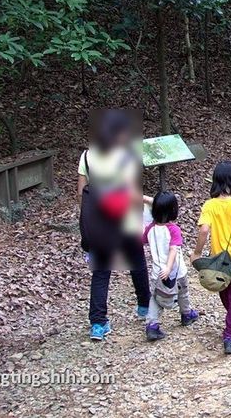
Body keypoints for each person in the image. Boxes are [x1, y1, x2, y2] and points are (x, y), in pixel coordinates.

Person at [77, 108, 151, 341]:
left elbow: (81, 190)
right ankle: (145, 307)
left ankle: (98, 324)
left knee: (100, 272)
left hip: (98, 220)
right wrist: (149, 203)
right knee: (137, 261)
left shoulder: (87, 156)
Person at [191, 161, 231, 355]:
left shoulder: (209, 205)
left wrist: (197, 252)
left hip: (219, 260)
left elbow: (204, 229)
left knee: (224, 291)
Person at [142, 191, 199, 341]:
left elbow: (141, 240)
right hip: (176, 272)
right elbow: (173, 249)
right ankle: (186, 314)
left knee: (155, 298)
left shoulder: (150, 229)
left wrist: (140, 198)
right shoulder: (173, 230)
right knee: (183, 292)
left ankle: (152, 325)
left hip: (157, 273)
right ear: (173, 211)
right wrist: (168, 267)